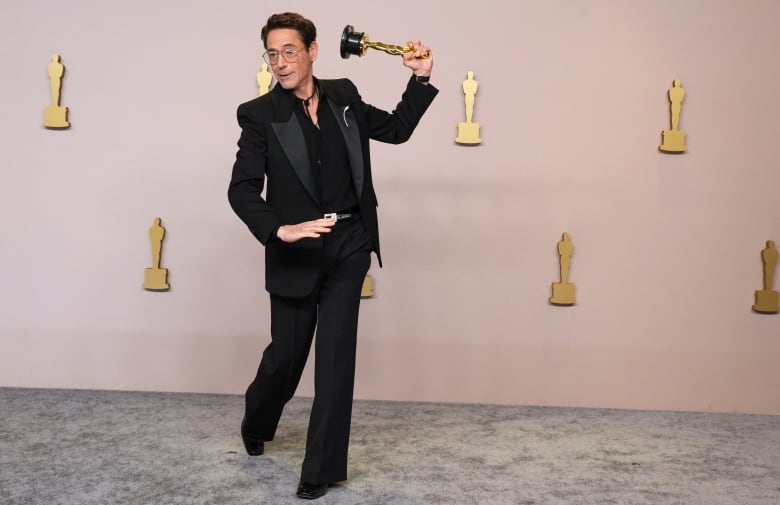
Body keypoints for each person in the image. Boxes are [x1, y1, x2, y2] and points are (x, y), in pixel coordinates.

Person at [227, 12, 437, 500]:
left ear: (313, 51)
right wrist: (280, 228)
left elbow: (398, 129)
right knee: (286, 358)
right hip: (295, 251)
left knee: (337, 359)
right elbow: (241, 190)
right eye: (272, 53)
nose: (280, 62)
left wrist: (420, 76)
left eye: (290, 51)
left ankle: (318, 470)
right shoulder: (259, 115)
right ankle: (257, 419)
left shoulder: (343, 94)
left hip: (348, 244)